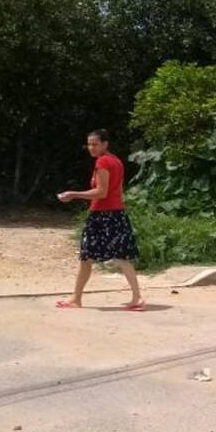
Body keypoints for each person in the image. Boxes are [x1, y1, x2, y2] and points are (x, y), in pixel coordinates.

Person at [55, 129, 144, 311]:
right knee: (122, 256)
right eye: (89, 144)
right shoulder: (116, 161)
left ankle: (76, 299)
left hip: (101, 215)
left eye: (95, 144)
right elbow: (116, 191)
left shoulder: (103, 162)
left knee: (87, 257)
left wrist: (73, 194)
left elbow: (101, 192)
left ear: (105, 144)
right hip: (116, 213)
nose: (91, 147)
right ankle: (137, 297)